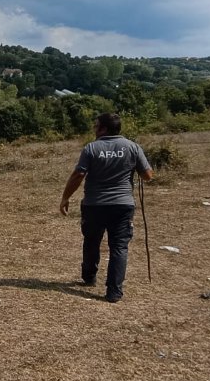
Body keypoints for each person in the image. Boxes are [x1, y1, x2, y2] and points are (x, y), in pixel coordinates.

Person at [59, 113, 154, 303]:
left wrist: (65, 197)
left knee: (91, 240)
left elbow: (79, 174)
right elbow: (148, 176)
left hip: (94, 204)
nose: (94, 129)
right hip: (122, 205)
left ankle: (89, 276)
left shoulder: (91, 148)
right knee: (119, 247)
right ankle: (114, 292)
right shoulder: (133, 147)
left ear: (104, 129)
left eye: (96, 126)